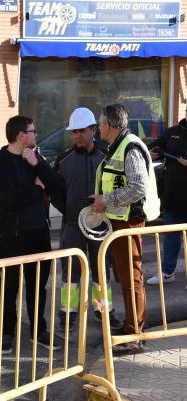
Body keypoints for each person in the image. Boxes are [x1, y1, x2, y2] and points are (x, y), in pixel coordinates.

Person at [0, 115, 65, 354]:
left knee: (37, 287)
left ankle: (38, 331)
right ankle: (7, 333)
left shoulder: (34, 157)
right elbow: (9, 200)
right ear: (21, 135)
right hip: (11, 236)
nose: (35, 134)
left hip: (38, 233)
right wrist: (37, 188)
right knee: (9, 287)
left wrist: (37, 165)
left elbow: (58, 185)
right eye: (32, 131)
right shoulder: (0, 163)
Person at [91, 104, 160, 352]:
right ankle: (131, 327)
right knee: (125, 276)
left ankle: (134, 334)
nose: (98, 129)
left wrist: (106, 200)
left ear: (109, 125)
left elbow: (138, 187)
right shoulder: (120, 146)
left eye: (100, 124)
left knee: (132, 278)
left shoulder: (129, 147)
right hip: (120, 221)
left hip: (129, 222)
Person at [50, 108, 122, 332]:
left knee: (101, 270)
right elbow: (54, 192)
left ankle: (103, 311)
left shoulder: (107, 156)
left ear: (93, 130)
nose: (77, 135)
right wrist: (71, 211)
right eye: (74, 132)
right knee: (70, 273)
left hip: (101, 225)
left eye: (82, 131)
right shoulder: (63, 161)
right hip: (72, 226)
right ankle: (68, 314)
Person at [146, 109, 187, 288]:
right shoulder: (172, 132)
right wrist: (154, 152)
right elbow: (156, 146)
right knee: (171, 236)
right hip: (172, 196)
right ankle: (167, 272)